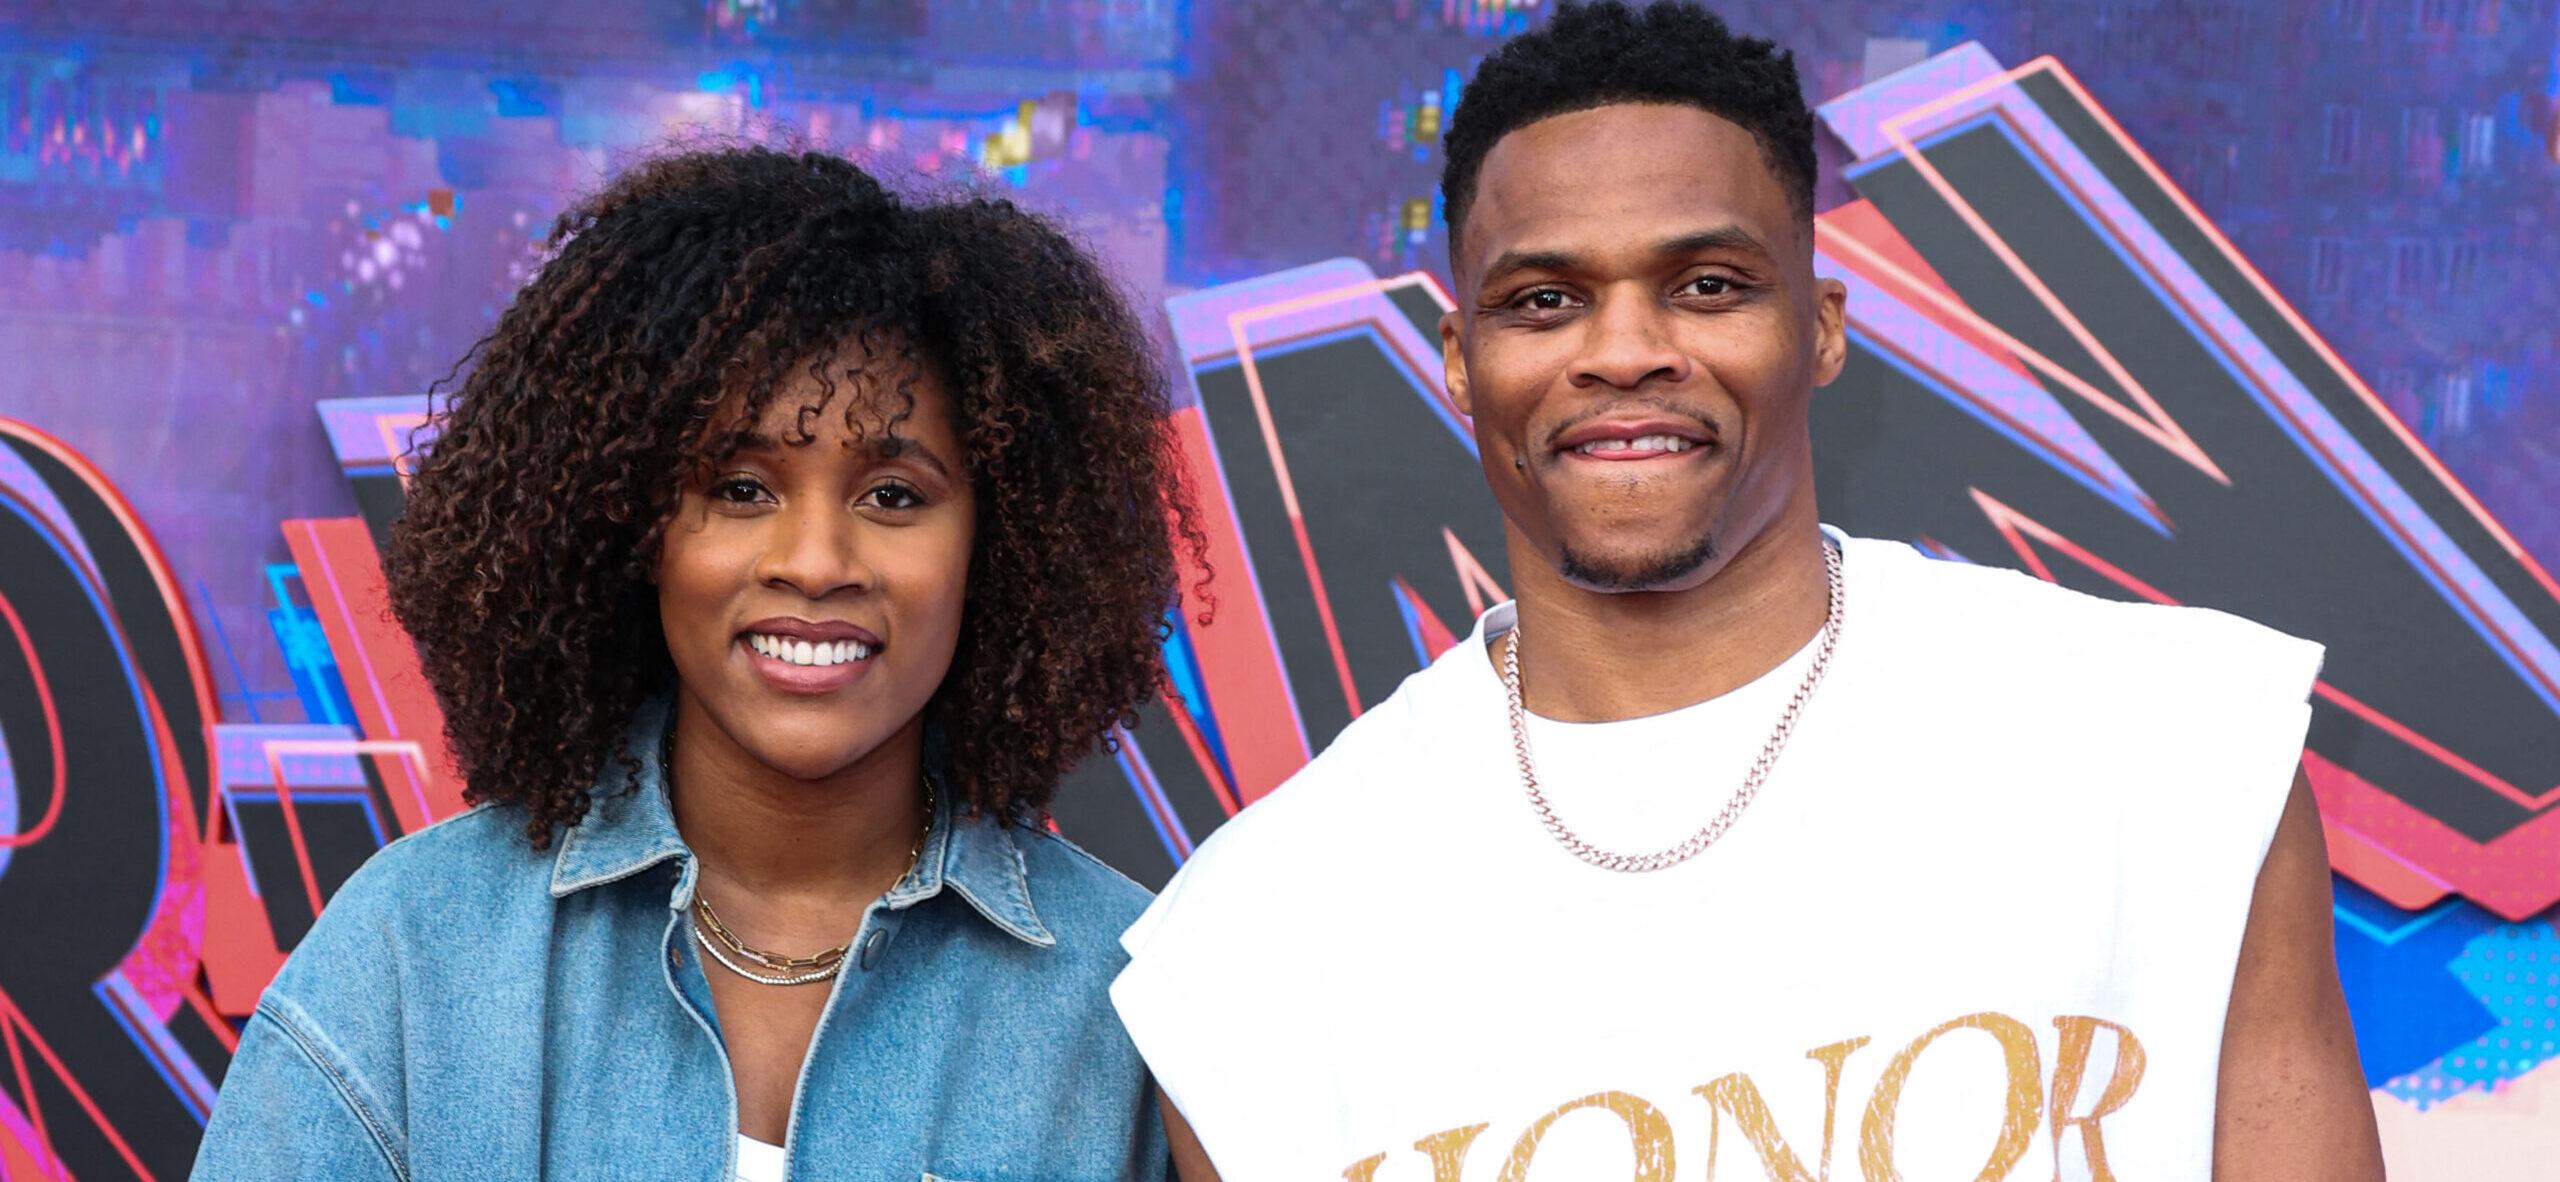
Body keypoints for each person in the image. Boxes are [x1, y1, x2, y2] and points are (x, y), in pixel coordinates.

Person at [1109, 3, 2384, 1179]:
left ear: (1820, 325)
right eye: (1545, 300)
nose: (1622, 352)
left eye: (1705, 286)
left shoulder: (2172, 746)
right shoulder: (1249, 949)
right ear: (1461, 357)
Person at [193, 146, 1199, 1180]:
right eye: (740, 487)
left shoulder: (1139, 1004)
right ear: (630, 525)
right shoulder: (416, 954)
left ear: (1001, 544)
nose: (813, 563)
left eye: (894, 495)